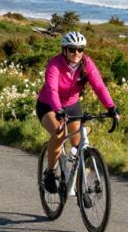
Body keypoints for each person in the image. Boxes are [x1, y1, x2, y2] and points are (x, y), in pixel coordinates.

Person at [36, 31, 119, 193]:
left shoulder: (87, 64)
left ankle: (82, 183)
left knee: (80, 145)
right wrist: (58, 110)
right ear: (64, 50)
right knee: (59, 133)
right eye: (72, 49)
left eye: (80, 50)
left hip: (72, 106)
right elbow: (52, 89)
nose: (76, 53)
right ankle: (50, 173)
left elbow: (99, 86)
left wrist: (111, 107)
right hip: (49, 105)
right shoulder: (55, 64)